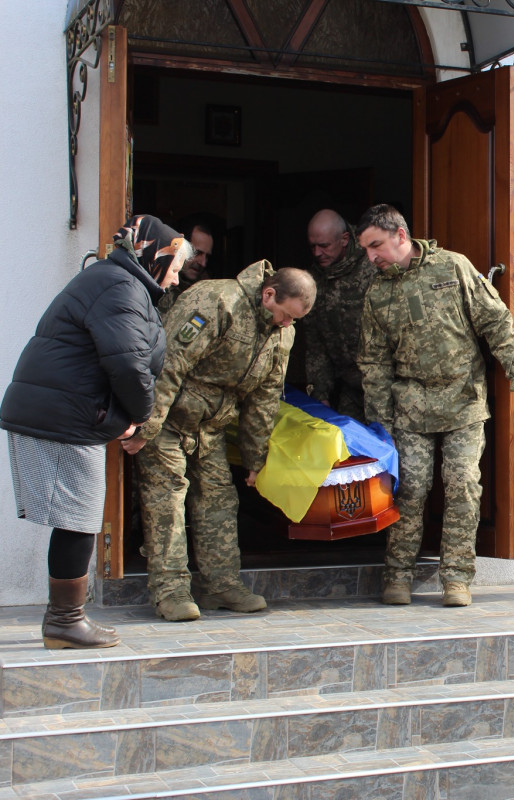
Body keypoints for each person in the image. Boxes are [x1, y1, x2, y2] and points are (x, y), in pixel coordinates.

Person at [1, 215, 187, 647]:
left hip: (66, 411)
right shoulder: (119, 286)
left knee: (78, 518)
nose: (175, 279)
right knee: (78, 519)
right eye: (174, 267)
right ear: (153, 256)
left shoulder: (119, 282)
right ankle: (65, 621)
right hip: (63, 416)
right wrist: (138, 416)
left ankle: (65, 619)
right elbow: (126, 361)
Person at [357, 204, 514, 608]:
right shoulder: (376, 293)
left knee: (462, 487)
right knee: (410, 490)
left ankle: (456, 579)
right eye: (366, 249)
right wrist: (379, 422)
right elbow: (374, 362)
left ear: (400, 236)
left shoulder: (454, 267)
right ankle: (398, 575)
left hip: (463, 403)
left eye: (376, 246)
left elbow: (496, 323)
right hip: (409, 408)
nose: (371, 257)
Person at [122, 262, 316, 622]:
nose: (287, 325)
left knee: (219, 501)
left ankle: (220, 586)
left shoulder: (281, 334)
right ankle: (172, 592)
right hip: (169, 422)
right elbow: (168, 364)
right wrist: (146, 427)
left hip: (210, 428)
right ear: (268, 294)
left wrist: (255, 457)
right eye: (284, 315)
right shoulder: (216, 300)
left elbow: (265, 396)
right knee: (167, 502)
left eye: (294, 321)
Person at [304, 209, 376, 421]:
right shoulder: (315, 278)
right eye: (312, 247)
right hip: (348, 385)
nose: (317, 253)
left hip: (382, 387)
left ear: (344, 239)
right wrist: (320, 393)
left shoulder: (373, 264)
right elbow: (315, 341)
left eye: (324, 246)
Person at [158, 223, 214, 313]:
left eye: (207, 256)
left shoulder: (207, 295)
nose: (203, 263)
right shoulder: (159, 285)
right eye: (197, 253)